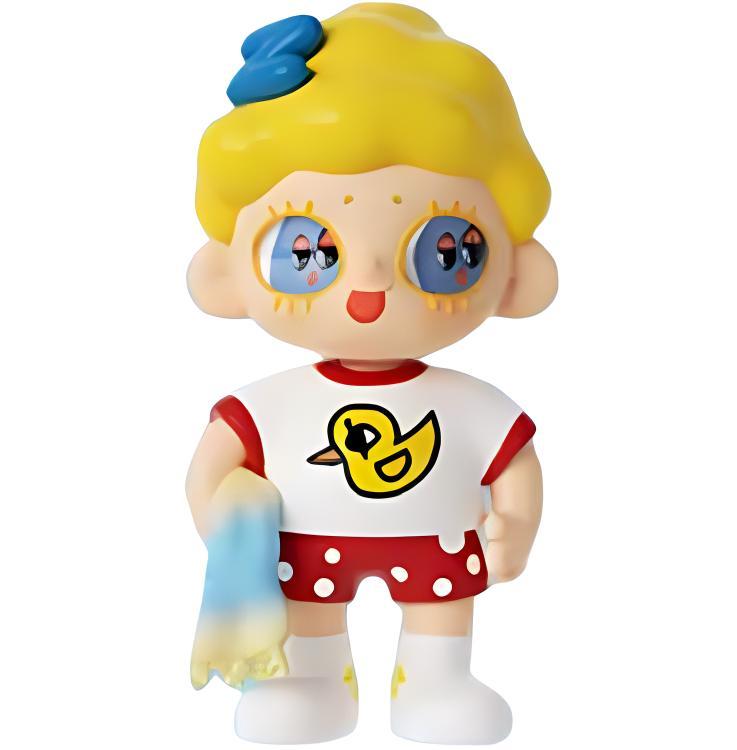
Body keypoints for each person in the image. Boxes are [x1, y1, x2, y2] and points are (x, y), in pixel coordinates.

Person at [186, 4, 557, 743]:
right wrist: (226, 530)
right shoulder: (270, 405)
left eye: (446, 248)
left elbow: (513, 462)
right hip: (304, 550)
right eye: (306, 250)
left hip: (438, 544)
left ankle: (437, 684)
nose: (370, 282)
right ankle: (314, 684)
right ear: (224, 274)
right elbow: (209, 472)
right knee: (310, 628)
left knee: (439, 622)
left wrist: (517, 525)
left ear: (517, 275)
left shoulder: (471, 404)